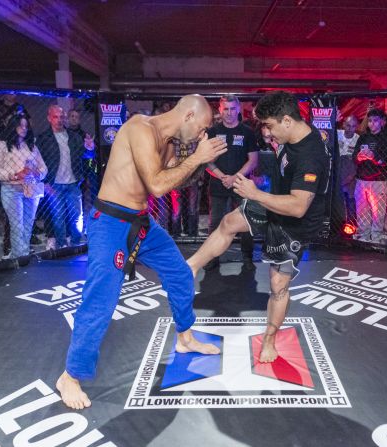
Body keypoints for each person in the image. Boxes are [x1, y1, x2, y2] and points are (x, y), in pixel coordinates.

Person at [56, 95, 227, 410]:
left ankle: (185, 337)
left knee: (180, 273)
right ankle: (70, 376)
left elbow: (173, 179)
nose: (202, 134)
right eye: (202, 126)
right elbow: (157, 185)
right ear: (189, 115)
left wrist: (200, 160)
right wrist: (197, 157)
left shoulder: (171, 143)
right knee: (101, 299)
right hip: (110, 222)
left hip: (140, 221)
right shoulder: (140, 128)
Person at [187, 91, 330, 364]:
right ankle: (190, 267)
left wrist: (255, 194)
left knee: (278, 284)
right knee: (229, 222)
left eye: (270, 126)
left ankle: (269, 340)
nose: (267, 132)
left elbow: (298, 206)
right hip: (274, 201)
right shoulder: (290, 135)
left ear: (287, 120)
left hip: (295, 224)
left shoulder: (311, 154)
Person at [204, 95, 258, 271]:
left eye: (232, 109)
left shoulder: (247, 132)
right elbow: (206, 161)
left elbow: (253, 160)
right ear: (220, 110)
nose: (229, 113)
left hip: (241, 184)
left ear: (238, 110)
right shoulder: (212, 132)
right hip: (218, 184)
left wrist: (235, 177)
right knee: (215, 223)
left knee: (246, 221)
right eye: (225, 109)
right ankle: (212, 257)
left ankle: (247, 257)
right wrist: (223, 177)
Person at [0, 114, 47, 258]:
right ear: (13, 126)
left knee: (28, 224)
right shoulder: (0, 146)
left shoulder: (31, 146)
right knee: (17, 225)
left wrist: (37, 174)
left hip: (31, 187)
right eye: (21, 125)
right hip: (11, 188)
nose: (24, 128)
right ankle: (19, 257)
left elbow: (44, 168)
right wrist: (14, 175)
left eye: (26, 126)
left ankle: (23, 254)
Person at [37, 105, 92, 249]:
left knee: (77, 216)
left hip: (72, 182)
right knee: (58, 217)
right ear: (49, 118)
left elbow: (86, 155)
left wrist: (90, 148)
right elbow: (39, 161)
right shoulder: (43, 138)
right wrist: (45, 183)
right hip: (54, 184)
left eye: (61, 117)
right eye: (55, 117)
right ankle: (62, 246)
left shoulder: (73, 136)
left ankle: (76, 243)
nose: (59, 120)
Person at [352, 108, 387, 243]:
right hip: (361, 178)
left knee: (378, 212)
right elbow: (354, 156)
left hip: (378, 180)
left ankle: (376, 238)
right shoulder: (363, 137)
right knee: (361, 210)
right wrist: (359, 157)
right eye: (370, 121)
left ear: (382, 122)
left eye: (375, 121)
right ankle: (363, 237)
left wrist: (374, 157)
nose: (372, 124)